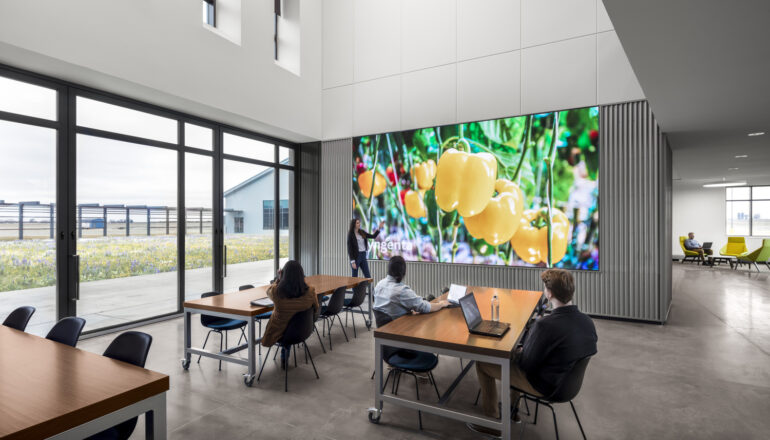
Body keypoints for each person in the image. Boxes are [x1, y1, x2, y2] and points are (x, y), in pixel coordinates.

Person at [468, 269, 597, 438]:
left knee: (484, 363)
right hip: (567, 385)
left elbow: (526, 365)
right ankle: (513, 411)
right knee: (516, 357)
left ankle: (493, 423)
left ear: (549, 294)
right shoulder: (587, 321)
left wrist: (519, 351)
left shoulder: (546, 325)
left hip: (545, 385)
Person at [261, 260, 319, 351]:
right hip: (303, 331)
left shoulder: (277, 292)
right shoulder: (310, 291)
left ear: (283, 274)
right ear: (302, 274)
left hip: (279, 334)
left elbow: (268, 291)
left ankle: (284, 353)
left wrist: (279, 279)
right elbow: (316, 308)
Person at [373, 256, 449, 319]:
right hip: (398, 328)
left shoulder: (379, 284)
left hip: (384, 327)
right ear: (403, 271)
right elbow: (425, 307)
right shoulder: (401, 291)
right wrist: (441, 304)